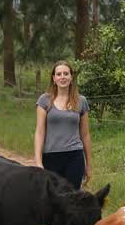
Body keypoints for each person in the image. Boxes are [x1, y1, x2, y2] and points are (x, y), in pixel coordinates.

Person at [33, 60, 92, 190]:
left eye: (66, 73)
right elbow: (40, 132)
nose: (62, 77)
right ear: (54, 78)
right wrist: (38, 162)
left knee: (71, 198)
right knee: (51, 198)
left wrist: (89, 164)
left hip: (74, 156)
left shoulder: (81, 101)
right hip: (50, 157)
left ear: (71, 77)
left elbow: (85, 134)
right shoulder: (44, 100)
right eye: (59, 74)